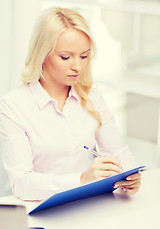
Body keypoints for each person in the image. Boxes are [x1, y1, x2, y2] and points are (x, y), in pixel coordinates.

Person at [0, 7, 141, 201]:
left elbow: (117, 151)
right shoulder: (13, 106)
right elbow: (21, 184)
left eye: (84, 56)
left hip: (89, 205)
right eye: (65, 57)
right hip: (40, 210)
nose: (78, 66)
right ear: (42, 54)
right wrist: (82, 179)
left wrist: (130, 173)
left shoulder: (93, 98)